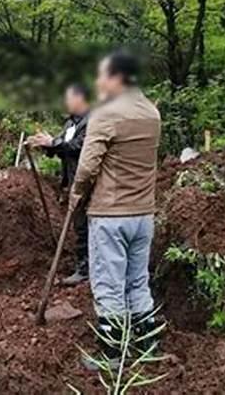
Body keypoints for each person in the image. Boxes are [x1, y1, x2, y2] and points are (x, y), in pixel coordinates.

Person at [68, 51, 161, 370]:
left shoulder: (106, 113)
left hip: (110, 215)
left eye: (101, 76)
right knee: (137, 280)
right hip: (144, 214)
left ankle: (112, 354)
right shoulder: (151, 112)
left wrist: (77, 193)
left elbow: (87, 165)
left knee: (108, 284)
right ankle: (148, 344)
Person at [27, 84, 91, 285]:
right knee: (79, 224)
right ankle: (84, 265)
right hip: (72, 179)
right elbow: (62, 145)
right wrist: (46, 145)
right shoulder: (71, 123)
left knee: (85, 225)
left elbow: (79, 147)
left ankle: (86, 268)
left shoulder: (93, 121)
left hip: (88, 180)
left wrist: (53, 143)